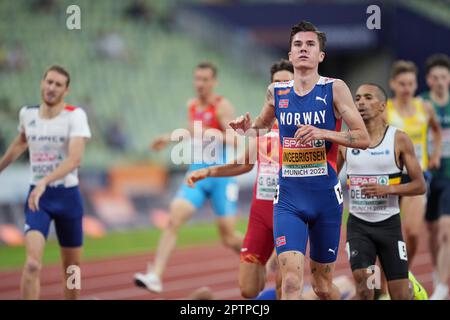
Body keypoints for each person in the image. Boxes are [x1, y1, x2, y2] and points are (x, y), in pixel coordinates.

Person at [229, 21, 370, 300]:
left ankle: (343, 289)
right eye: (297, 45)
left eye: (310, 45)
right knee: (291, 282)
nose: (303, 49)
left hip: (325, 199)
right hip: (289, 199)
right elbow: (261, 127)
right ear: (291, 55)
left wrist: (323, 132)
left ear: (321, 56)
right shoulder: (276, 91)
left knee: (321, 287)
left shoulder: (335, 89)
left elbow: (362, 138)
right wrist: (247, 128)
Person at [186, 59, 294, 299]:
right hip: (261, 214)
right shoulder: (263, 127)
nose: (282, 88)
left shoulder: (306, 126)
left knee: (286, 287)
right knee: (248, 289)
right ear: (270, 89)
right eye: (277, 84)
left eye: (288, 83)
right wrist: (208, 171)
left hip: (292, 213)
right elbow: (244, 164)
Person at [134, 62, 243, 293]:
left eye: (205, 79)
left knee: (229, 238)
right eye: (197, 79)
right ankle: (155, 276)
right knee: (173, 219)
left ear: (214, 82)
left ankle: (261, 255)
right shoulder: (192, 105)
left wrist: (213, 133)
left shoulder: (221, 106)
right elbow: (190, 132)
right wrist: (166, 138)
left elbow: (236, 141)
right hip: (197, 172)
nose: (199, 84)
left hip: (220, 176)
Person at [0, 65, 91, 299]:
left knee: (72, 270)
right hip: (38, 199)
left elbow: (75, 159)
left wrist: (46, 180)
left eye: (58, 84)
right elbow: (21, 142)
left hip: (67, 198)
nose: (51, 88)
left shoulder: (75, 115)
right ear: (42, 83)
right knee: (32, 265)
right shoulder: (27, 114)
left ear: (66, 90)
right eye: (48, 82)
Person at [338, 83, 427, 300]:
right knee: (365, 287)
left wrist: (387, 189)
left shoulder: (398, 139)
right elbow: (330, 177)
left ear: (382, 106)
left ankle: (411, 287)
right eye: (357, 98)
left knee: (399, 295)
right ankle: (377, 290)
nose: (360, 103)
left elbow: (420, 185)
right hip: (359, 226)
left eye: (368, 98)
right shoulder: (345, 140)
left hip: (388, 225)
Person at [386, 60, 442, 266]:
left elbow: (436, 131)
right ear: (393, 84)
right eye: (402, 84)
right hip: (391, 176)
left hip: (417, 176)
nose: (406, 88)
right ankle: (385, 284)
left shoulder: (425, 108)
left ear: (416, 85)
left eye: (410, 83)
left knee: (412, 233)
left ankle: (404, 272)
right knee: (386, 236)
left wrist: (435, 154)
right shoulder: (386, 110)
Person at [420, 54, 450, 300]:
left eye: (444, 76)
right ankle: (438, 275)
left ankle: (442, 287)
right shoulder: (422, 104)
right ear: (429, 80)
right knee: (431, 232)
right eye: (435, 77)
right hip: (428, 177)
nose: (440, 81)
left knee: (446, 231)